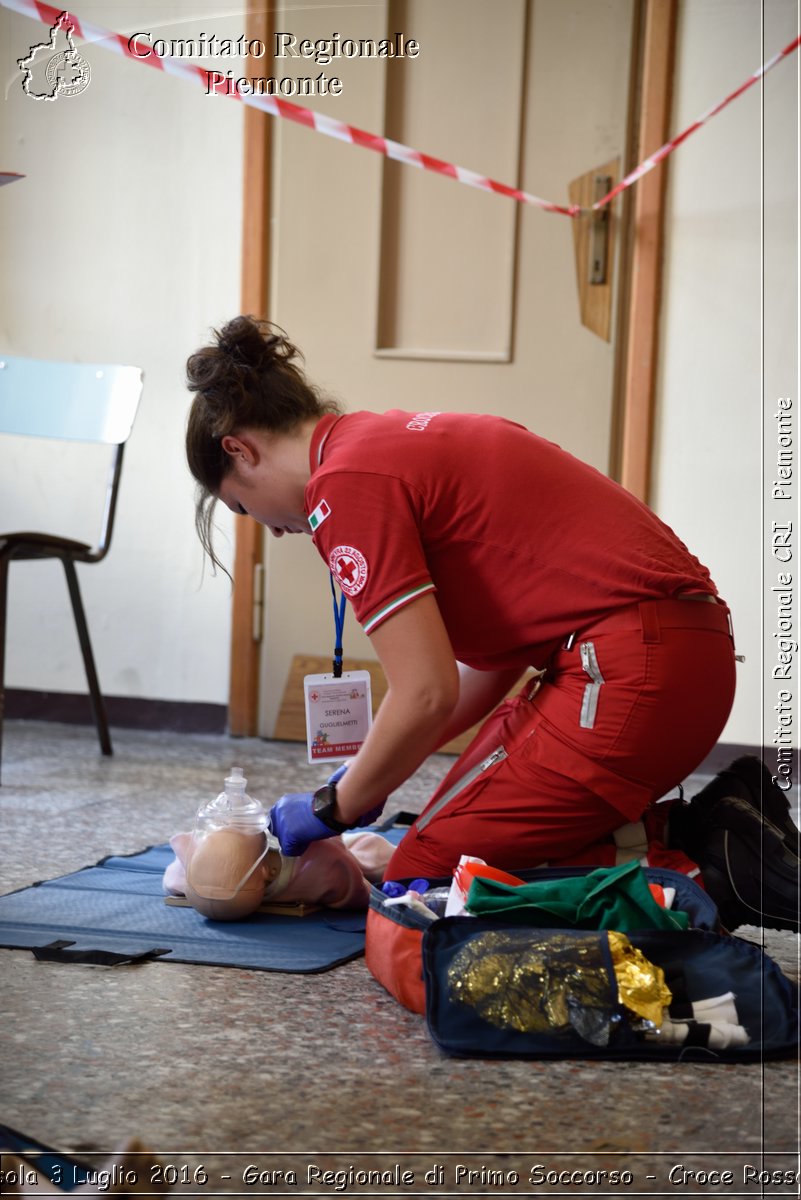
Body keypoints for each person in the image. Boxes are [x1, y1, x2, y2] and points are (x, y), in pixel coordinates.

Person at [185, 316, 799, 932]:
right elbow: (491, 659)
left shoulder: (343, 487)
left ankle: (705, 874)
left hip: (626, 678)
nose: (267, 526)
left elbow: (425, 693)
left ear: (240, 449)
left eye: (241, 504)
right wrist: (366, 775)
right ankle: (706, 833)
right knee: (449, 836)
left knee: (416, 893)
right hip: (682, 662)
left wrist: (332, 806)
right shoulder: (384, 438)